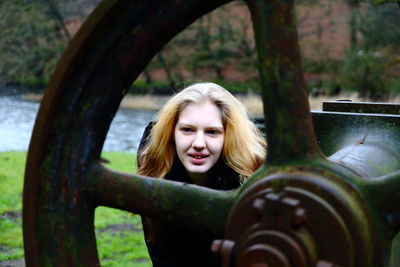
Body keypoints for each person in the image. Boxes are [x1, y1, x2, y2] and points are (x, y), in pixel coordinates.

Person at [137, 82, 266, 266]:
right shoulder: (154, 164)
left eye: (212, 132)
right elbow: (161, 250)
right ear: (172, 133)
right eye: (187, 130)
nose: (199, 143)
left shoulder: (250, 174)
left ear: (228, 136)